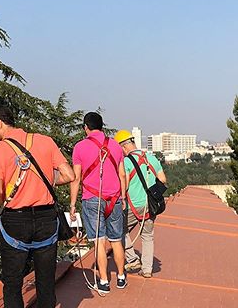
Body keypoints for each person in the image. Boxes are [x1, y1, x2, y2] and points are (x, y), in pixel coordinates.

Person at [0, 103, 75, 308]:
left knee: (12, 284)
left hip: (15, 221)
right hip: (46, 220)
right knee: (46, 281)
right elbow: (68, 174)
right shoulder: (44, 141)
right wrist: (43, 177)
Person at [70, 112, 127, 293]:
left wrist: (72, 204)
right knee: (117, 240)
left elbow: (76, 178)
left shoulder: (80, 147)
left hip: (92, 198)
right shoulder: (116, 147)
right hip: (114, 199)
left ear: (85, 127)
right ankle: (120, 276)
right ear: (102, 126)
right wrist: (123, 197)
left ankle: (103, 280)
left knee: (98, 241)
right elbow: (122, 174)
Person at [115, 130, 167, 278]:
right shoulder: (151, 158)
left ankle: (132, 258)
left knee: (119, 230)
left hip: (133, 205)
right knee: (147, 236)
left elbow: (123, 185)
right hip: (150, 205)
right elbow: (162, 179)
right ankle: (147, 269)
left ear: (123, 147)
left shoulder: (126, 162)